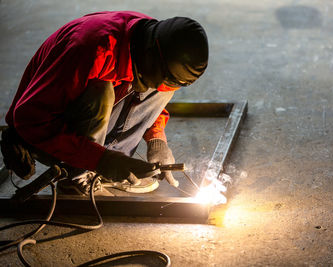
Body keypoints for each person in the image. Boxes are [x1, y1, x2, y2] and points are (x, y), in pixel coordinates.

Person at [0, 11, 208, 195]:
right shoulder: (90, 51)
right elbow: (29, 118)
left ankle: (108, 165)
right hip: (41, 128)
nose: (167, 85)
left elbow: (157, 91)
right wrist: (102, 160)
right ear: (151, 54)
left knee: (160, 91)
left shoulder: (150, 38)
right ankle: (77, 175)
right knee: (102, 92)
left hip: (78, 118)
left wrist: (157, 140)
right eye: (167, 78)